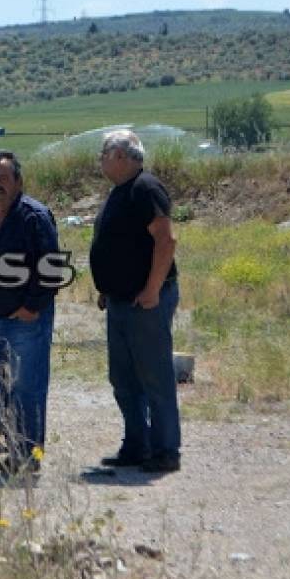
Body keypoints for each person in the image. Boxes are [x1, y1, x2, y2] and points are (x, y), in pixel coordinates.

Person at [90, 130, 181, 473]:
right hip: (120, 300)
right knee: (124, 378)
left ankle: (165, 450)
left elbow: (166, 240)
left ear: (124, 156)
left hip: (145, 301)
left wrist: (153, 289)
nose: (100, 159)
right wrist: (107, 287)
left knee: (154, 376)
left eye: (105, 153)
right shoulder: (120, 192)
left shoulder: (146, 188)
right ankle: (137, 445)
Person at [0, 149, 59, 475]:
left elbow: (51, 269)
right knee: (2, 389)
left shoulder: (35, 217)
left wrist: (31, 306)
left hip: (26, 321)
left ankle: (29, 460)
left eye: (2, 179)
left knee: (28, 390)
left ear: (18, 180)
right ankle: (15, 453)